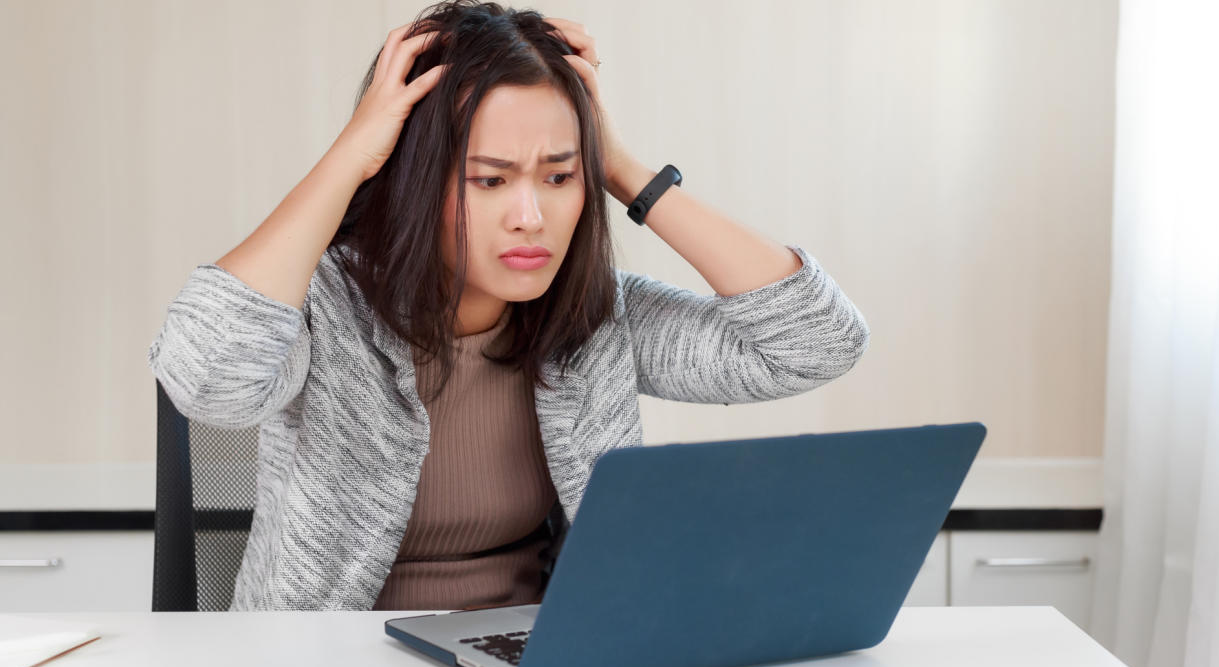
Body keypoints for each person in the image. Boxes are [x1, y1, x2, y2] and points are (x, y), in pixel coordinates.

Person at [147, 0, 870, 612]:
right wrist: (351, 156)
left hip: (538, 663)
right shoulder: (326, 306)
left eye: (558, 177)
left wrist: (617, 165)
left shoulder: (593, 317)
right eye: (489, 181)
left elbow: (816, 344)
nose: (532, 216)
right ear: (413, 180)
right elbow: (206, 381)